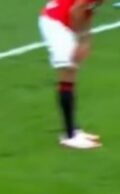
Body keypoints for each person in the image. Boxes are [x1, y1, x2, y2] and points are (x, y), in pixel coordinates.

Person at [39, 0, 104, 149]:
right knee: (68, 69)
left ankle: (73, 130)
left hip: (60, 20)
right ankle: (70, 136)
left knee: (71, 70)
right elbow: (76, 10)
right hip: (55, 22)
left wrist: (86, 40)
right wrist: (81, 40)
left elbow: (88, 9)